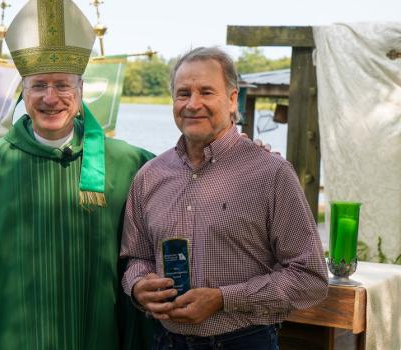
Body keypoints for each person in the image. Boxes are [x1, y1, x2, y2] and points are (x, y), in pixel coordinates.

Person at [0, 0, 154, 349]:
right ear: (23, 92)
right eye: (39, 86)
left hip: (94, 333)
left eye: (63, 85)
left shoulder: (128, 163)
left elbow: (186, 188)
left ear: (81, 93)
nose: (50, 98)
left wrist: (235, 159)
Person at [120, 47, 328, 350]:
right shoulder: (149, 176)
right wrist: (138, 286)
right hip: (165, 341)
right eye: (182, 93)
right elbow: (136, 257)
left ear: (232, 99)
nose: (193, 104)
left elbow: (310, 277)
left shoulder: (271, 173)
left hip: (244, 341)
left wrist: (222, 299)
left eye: (206, 92)